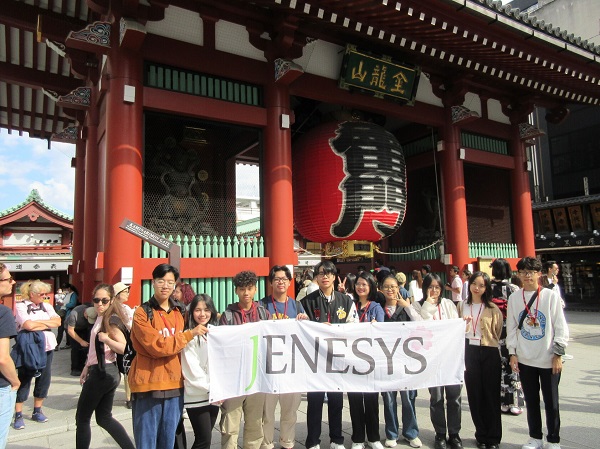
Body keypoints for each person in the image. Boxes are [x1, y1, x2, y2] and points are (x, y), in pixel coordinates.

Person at [129, 263, 208, 449]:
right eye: (161, 281)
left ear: (175, 285)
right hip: (148, 384)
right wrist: (188, 335)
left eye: (170, 282)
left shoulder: (180, 312)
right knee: (146, 442)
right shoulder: (142, 313)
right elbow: (157, 346)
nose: (165, 286)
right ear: (153, 282)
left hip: (174, 385)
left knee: (169, 441)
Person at [506, 257, 569, 449]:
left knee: (552, 402)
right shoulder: (514, 298)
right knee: (531, 401)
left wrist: (558, 354)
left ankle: (553, 440)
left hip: (548, 358)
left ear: (539, 274)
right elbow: (511, 327)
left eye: (530, 272)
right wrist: (512, 353)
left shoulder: (550, 296)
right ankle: (535, 438)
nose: (526, 276)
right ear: (518, 275)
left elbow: (560, 326)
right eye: (522, 272)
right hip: (525, 359)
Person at [396, 274, 463, 449]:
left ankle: (454, 434)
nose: (434, 291)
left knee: (454, 398)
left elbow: (455, 327)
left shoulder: (448, 304)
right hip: (431, 360)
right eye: (430, 287)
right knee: (436, 398)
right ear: (424, 288)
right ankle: (440, 433)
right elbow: (421, 325)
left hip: (450, 357)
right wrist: (426, 305)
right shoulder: (417, 306)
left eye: (437, 287)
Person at [300, 260, 357, 449]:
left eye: (329, 273)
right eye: (321, 273)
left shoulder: (346, 301)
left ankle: (336, 439)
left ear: (334, 276)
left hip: (337, 359)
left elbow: (353, 326)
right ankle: (313, 441)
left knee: (336, 401)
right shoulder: (307, 302)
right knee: (314, 402)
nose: (325, 276)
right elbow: (302, 328)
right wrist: (314, 325)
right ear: (316, 277)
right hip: (315, 360)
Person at [75, 284, 135, 449]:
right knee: (104, 418)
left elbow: (124, 347)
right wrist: (87, 366)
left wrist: (107, 339)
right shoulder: (102, 317)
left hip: (103, 373)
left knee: (82, 418)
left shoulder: (111, 320)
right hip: (104, 371)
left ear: (112, 300)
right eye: (96, 300)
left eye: (104, 300)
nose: (99, 304)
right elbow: (94, 349)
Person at [219, 270, 270, 449]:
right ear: (236, 291)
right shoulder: (228, 315)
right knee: (230, 424)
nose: (246, 293)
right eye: (242, 289)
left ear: (255, 289)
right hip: (234, 378)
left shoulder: (264, 314)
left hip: (257, 377)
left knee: (255, 424)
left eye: (249, 288)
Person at [260, 266, 308, 449]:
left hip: (291, 368)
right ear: (271, 283)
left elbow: (306, 336)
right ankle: (266, 444)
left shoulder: (297, 306)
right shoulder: (261, 305)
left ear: (289, 282)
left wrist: (305, 322)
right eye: (277, 279)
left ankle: (287, 443)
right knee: (266, 413)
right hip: (268, 368)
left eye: (284, 279)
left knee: (290, 411)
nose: (280, 282)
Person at [458, 272, 503, 449]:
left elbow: (497, 331)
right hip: (469, 351)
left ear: (486, 288)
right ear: (469, 285)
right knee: (474, 394)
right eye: (474, 284)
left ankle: (493, 437)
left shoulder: (492, 308)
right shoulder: (462, 305)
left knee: (491, 395)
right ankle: (481, 435)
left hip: (489, 351)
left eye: (482, 285)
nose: (477, 288)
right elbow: (456, 329)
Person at [379, 274, 421, 449]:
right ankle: (392, 433)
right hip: (386, 362)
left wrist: (408, 307)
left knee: (408, 398)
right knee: (389, 399)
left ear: (399, 288)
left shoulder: (406, 308)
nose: (390, 290)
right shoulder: (378, 309)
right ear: (381, 289)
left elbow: (421, 324)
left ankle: (411, 433)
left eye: (393, 286)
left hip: (406, 360)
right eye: (386, 287)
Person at [13, 279, 60, 430]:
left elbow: (58, 322)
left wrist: (37, 323)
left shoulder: (47, 306)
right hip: (29, 346)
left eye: (46, 294)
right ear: (32, 294)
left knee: (44, 379)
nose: (44, 296)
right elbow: (27, 325)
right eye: (41, 294)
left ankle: (37, 410)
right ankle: (18, 414)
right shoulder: (21, 306)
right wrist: (46, 323)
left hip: (47, 346)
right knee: (25, 378)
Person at [347, 271, 385, 449]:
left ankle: (374, 437)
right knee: (354, 400)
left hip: (371, 361)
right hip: (352, 360)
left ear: (371, 287)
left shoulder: (376, 307)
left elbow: (381, 330)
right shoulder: (349, 304)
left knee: (371, 400)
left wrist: (376, 327)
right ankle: (357, 438)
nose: (360, 287)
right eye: (358, 284)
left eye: (364, 284)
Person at [182, 294, 220, 449]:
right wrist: (212, 388)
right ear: (191, 312)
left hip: (214, 395)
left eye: (206, 309)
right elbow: (191, 369)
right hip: (197, 394)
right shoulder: (188, 335)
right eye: (198, 310)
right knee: (203, 439)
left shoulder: (214, 333)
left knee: (205, 438)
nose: (202, 314)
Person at [489, 258, 523, 416]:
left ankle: (502, 401)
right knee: (513, 365)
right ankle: (514, 402)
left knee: (498, 366)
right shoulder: (514, 288)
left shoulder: (488, 288)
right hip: (511, 329)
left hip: (494, 330)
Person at [0, 264, 19, 449]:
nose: (13, 282)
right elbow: (2, 358)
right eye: (9, 279)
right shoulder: (3, 312)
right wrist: (15, 381)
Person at [112, 282, 133, 409]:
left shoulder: (126, 307)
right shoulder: (113, 308)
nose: (127, 294)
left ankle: (130, 396)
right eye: (125, 292)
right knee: (125, 368)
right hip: (118, 340)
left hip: (128, 339)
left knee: (128, 368)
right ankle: (129, 398)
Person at [66, 302, 94, 376]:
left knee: (85, 347)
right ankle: (75, 369)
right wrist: (81, 341)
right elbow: (70, 331)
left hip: (84, 328)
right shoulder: (74, 314)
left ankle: (82, 367)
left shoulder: (93, 313)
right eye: (88, 318)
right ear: (85, 313)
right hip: (72, 329)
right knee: (76, 348)